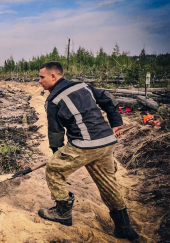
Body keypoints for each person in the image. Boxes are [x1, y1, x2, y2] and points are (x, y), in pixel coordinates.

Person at [37, 62, 139, 241]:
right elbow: (109, 99)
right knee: (108, 183)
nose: (39, 81)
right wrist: (116, 122)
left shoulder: (53, 100)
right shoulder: (83, 86)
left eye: (41, 77)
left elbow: (56, 133)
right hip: (107, 141)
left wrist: (57, 154)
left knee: (53, 169)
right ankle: (124, 227)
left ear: (54, 76)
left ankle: (62, 213)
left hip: (85, 145)